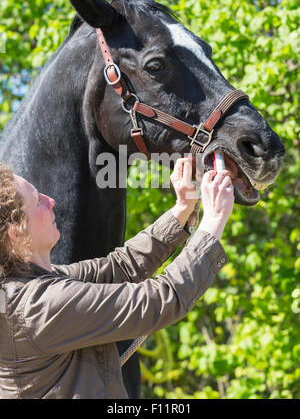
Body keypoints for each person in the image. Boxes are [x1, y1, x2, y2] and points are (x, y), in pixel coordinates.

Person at [0, 157, 234, 399]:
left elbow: (119, 267)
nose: (51, 202)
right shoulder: (38, 306)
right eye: (38, 201)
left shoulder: (28, 285)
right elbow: (162, 299)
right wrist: (213, 223)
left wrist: (182, 209)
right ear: (16, 233)